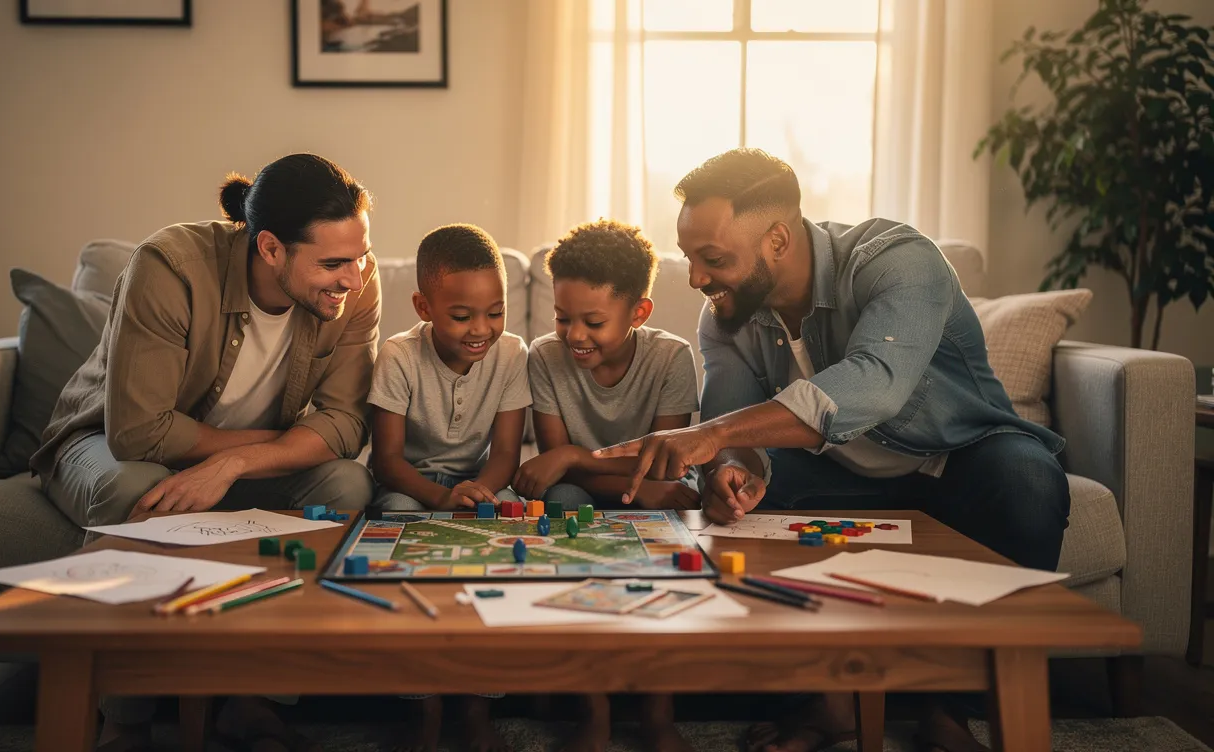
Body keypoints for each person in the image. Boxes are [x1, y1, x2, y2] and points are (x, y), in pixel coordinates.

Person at [596, 148, 1071, 752]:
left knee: (1030, 479)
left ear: (775, 239)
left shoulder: (897, 259)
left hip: (956, 456)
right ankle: (817, 704)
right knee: (733, 516)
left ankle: (950, 711)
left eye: (712, 259)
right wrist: (732, 471)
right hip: (833, 472)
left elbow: (876, 381)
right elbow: (729, 427)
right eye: (690, 257)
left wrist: (714, 439)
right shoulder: (725, 319)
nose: (694, 278)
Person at [32, 152, 380, 752]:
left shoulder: (355, 287)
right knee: (137, 487)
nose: (353, 277)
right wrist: (268, 446)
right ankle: (124, 721)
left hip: (232, 457)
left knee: (345, 484)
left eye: (361, 256)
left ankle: (253, 702)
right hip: (105, 443)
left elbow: (346, 422)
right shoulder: (170, 266)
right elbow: (138, 432)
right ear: (270, 249)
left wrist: (234, 463)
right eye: (332, 263)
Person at [512, 219, 698, 752]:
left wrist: (576, 456)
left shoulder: (671, 357)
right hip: (585, 494)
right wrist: (623, 480)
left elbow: (666, 465)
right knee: (568, 508)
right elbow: (557, 467)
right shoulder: (546, 357)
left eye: (592, 321)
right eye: (563, 317)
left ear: (639, 312)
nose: (574, 335)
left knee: (667, 530)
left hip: (651, 494)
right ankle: (594, 712)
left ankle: (658, 713)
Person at [367, 223, 527, 752]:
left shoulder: (511, 355)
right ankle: (422, 708)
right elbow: (387, 461)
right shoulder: (398, 356)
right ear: (423, 306)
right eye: (461, 316)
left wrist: (477, 491)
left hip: (479, 481)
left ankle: (480, 705)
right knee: (394, 523)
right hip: (411, 486)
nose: (481, 328)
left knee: (513, 535)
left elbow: (505, 453)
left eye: (495, 312)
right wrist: (441, 499)